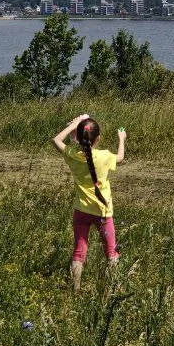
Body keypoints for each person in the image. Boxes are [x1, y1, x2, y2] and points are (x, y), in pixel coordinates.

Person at [52, 112, 125, 294]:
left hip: (81, 211)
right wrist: (121, 139)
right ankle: (111, 290)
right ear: (98, 138)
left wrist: (73, 125)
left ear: (78, 137)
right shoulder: (105, 156)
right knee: (111, 253)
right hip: (103, 212)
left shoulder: (73, 155)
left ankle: (75, 290)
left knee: (79, 253)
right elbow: (120, 157)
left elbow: (56, 140)